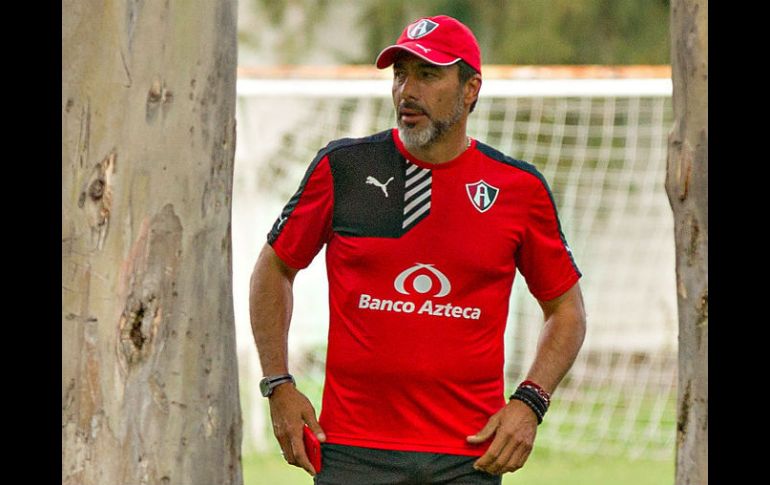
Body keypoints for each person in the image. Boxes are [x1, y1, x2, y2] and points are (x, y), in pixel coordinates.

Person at [249, 14, 587, 485]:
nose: (407, 91)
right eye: (400, 74)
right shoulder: (345, 168)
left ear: (470, 90)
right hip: (353, 452)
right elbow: (273, 270)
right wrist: (278, 384)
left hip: (469, 456)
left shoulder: (518, 188)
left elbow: (566, 311)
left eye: (427, 75)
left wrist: (531, 401)